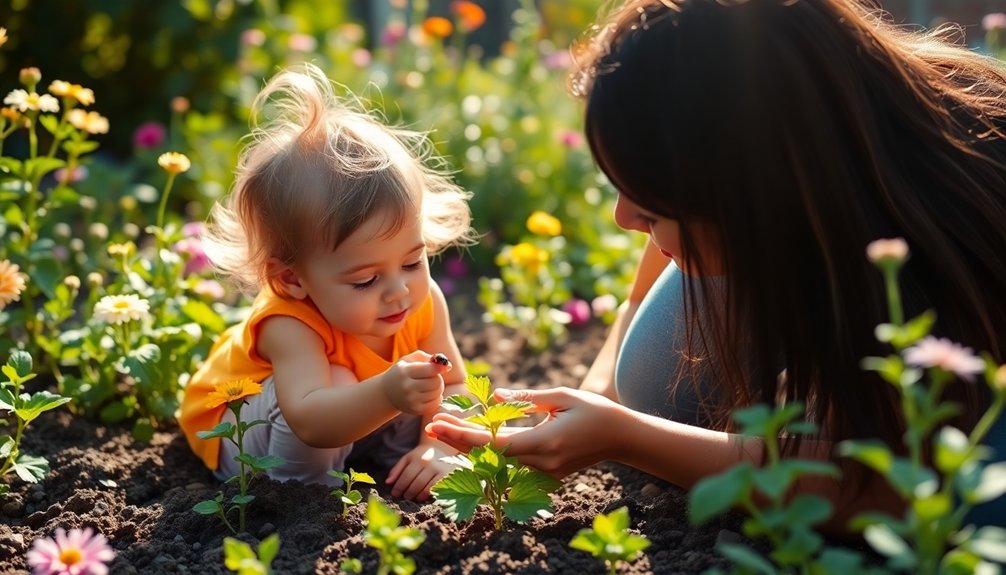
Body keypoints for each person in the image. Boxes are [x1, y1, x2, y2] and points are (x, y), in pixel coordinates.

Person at [428, 0, 1006, 533]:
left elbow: (881, 491)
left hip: (963, 455)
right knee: (651, 379)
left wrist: (627, 437)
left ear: (747, 190)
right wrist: (596, 392)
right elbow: (658, 251)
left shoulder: (925, 241)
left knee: (975, 507)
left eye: (652, 207)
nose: (622, 219)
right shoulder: (816, 144)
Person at [179, 62, 477, 501]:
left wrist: (438, 446)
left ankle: (385, 463)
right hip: (242, 435)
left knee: (423, 383)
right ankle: (302, 498)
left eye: (413, 262)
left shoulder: (422, 301)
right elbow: (311, 420)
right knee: (340, 382)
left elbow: (454, 385)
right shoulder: (290, 324)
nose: (399, 290)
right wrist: (389, 392)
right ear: (292, 279)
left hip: (351, 418)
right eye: (365, 280)